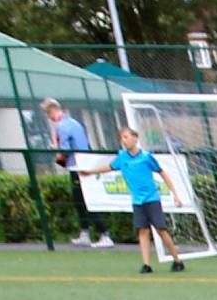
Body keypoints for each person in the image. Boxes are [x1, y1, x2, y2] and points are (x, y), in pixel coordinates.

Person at [110, 125, 184, 274]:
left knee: (161, 230)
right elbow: (108, 167)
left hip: (152, 199)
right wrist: (88, 172)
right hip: (137, 202)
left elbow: (162, 173)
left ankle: (177, 260)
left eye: (126, 137)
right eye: (122, 138)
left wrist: (175, 194)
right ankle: (146, 265)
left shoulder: (146, 157)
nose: (124, 141)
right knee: (142, 231)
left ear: (135, 138)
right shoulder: (122, 157)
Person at [41, 97, 107, 247]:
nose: (48, 118)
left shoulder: (62, 126)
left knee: (84, 200)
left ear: (51, 111)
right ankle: (85, 232)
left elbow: (64, 150)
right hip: (84, 163)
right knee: (80, 200)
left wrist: (55, 150)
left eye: (47, 114)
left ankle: (104, 234)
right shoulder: (75, 123)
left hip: (77, 166)